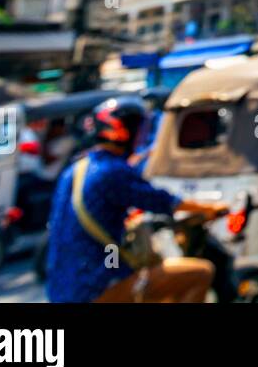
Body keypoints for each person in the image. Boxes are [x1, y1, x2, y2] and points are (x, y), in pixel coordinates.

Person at [45, 95, 224, 303]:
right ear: (121, 131)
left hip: (63, 292)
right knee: (200, 273)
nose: (141, 136)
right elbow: (164, 201)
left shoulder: (74, 170)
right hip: (97, 290)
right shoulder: (113, 171)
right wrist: (210, 208)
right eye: (138, 129)